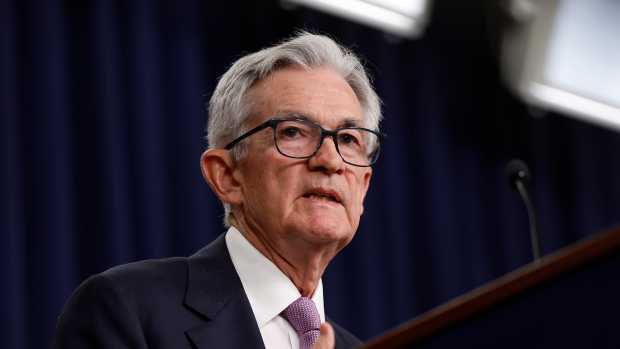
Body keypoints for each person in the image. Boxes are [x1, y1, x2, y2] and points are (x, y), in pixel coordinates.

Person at [53, 31, 383, 349]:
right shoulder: (127, 309)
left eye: (348, 140)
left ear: (364, 185)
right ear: (226, 175)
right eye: (293, 132)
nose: (329, 161)